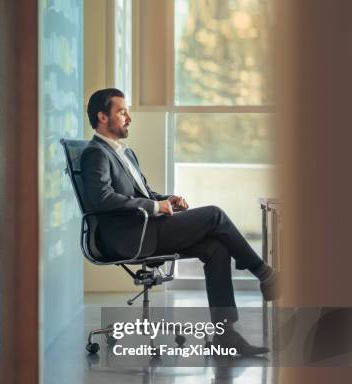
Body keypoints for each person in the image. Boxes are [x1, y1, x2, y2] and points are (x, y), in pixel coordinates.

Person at [81, 88, 278, 356]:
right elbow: (101, 198)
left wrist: (167, 200)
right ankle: (262, 273)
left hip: (144, 227)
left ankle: (225, 335)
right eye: (122, 112)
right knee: (214, 214)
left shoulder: (125, 153)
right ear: (102, 117)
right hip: (128, 236)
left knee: (216, 249)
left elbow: (144, 193)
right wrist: (153, 206)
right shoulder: (96, 153)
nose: (129, 118)